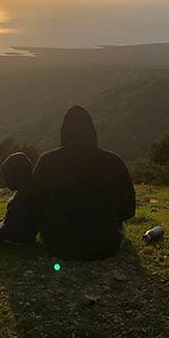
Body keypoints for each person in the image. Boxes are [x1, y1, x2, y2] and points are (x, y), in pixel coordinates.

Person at [32, 105, 135, 260]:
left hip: (59, 245)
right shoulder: (114, 161)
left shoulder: (46, 161)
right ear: (93, 132)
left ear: (63, 132)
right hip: (105, 245)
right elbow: (128, 210)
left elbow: (34, 205)